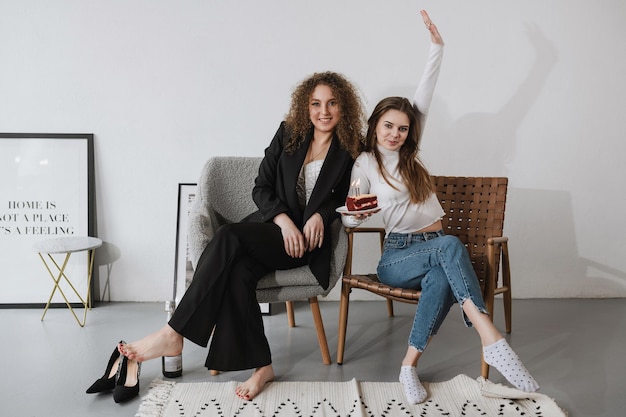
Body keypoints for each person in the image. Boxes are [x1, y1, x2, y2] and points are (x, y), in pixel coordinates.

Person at [86, 72, 366, 403]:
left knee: (229, 235)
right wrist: (283, 221)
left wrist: (323, 214)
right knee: (238, 271)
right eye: (316, 103)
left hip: (307, 244)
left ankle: (172, 333)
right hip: (274, 230)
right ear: (305, 106)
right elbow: (261, 187)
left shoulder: (353, 149)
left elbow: (355, 194)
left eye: (332, 103)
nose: (324, 111)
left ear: (343, 106)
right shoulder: (289, 134)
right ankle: (262, 366)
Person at [342, 10, 539, 405]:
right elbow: (349, 214)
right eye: (388, 126)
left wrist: (437, 47)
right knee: (451, 246)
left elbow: (425, 92)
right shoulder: (364, 163)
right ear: (375, 125)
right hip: (397, 257)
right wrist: (357, 214)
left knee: (443, 279)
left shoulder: (410, 160)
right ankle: (489, 336)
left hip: (432, 256)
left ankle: (408, 366)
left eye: (402, 128)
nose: (396, 133)